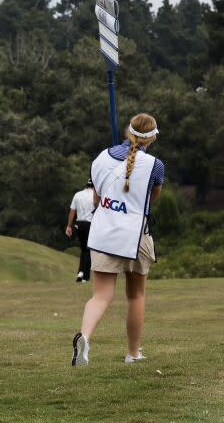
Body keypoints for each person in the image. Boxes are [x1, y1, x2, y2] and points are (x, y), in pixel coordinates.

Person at [72, 113, 164, 367]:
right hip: (136, 235)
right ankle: (132, 354)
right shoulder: (156, 165)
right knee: (135, 296)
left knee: (100, 296)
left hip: (103, 233)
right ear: (152, 137)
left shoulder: (101, 158)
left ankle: (85, 336)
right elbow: (151, 199)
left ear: (128, 131)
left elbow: (96, 199)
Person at [65, 180, 96, 282]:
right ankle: (85, 277)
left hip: (79, 224)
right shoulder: (96, 195)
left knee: (83, 249)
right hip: (90, 224)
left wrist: (69, 226)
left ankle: (80, 272)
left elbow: (72, 211)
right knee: (89, 250)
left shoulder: (77, 195)